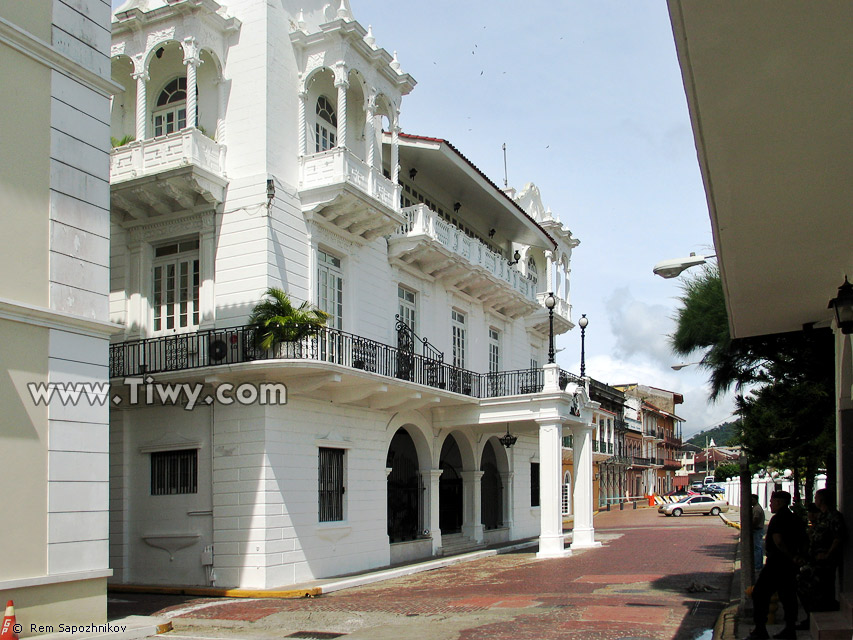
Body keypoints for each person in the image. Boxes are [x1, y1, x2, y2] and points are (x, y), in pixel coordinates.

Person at [747, 491, 807, 640]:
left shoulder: (778, 519)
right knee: (788, 596)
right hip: (791, 565)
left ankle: (760, 628)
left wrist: (791, 556)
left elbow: (778, 541)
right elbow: (804, 540)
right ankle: (790, 629)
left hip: (777, 564)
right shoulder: (796, 519)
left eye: (772, 502)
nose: (770, 505)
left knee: (760, 593)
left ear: (780, 502)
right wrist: (798, 557)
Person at [752, 494, 766, 574]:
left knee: (757, 548)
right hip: (758, 530)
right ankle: (758, 565)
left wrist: (752, 527)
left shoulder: (757, 508)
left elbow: (756, 519)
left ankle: (758, 565)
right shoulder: (756, 508)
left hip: (757, 530)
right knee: (757, 548)